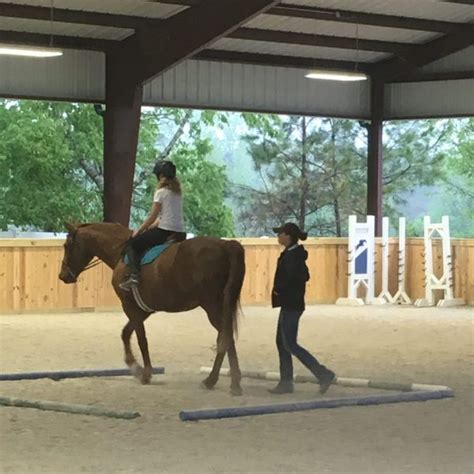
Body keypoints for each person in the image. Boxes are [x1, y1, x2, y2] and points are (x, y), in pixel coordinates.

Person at [268, 222, 336, 395]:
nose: (278, 236)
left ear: (288, 236)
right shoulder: (292, 254)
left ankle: (323, 373)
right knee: (282, 343)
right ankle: (286, 381)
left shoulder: (292, 257)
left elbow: (293, 278)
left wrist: (279, 290)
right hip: (290, 303)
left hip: (291, 303)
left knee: (290, 344)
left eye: (280, 233)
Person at [120, 160, 186, 291]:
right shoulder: (177, 192)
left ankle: (134, 276)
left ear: (160, 176)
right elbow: (165, 215)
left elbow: (152, 216)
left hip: (165, 231)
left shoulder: (161, 192)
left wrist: (139, 230)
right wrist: (153, 226)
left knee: (132, 245)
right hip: (180, 232)